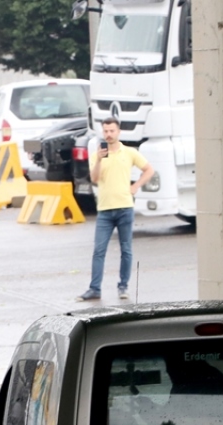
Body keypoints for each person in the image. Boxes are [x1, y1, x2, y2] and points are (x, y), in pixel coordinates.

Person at [79, 117, 154, 301]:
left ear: (118, 132)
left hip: (125, 207)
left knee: (126, 249)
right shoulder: (98, 155)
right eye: (105, 131)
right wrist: (98, 159)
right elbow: (95, 178)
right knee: (99, 250)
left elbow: (149, 170)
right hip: (105, 209)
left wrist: (136, 186)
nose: (109, 134)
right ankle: (94, 288)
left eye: (112, 131)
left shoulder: (128, 152)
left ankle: (123, 286)